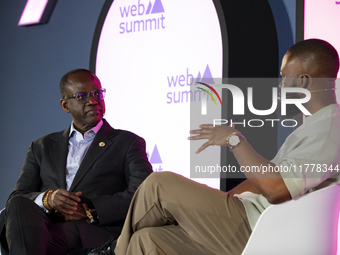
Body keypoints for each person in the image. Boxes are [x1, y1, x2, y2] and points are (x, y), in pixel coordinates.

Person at [73, 38, 340, 255]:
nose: (280, 85)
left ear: (303, 81)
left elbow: (277, 189)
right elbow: (267, 180)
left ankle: (112, 251)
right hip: (247, 221)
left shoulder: (330, 128)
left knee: (158, 184)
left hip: (260, 230)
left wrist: (235, 140)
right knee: (148, 239)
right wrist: (214, 203)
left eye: (285, 77)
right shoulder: (316, 126)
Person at [0, 69, 153, 255]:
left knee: (24, 241)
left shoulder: (127, 142)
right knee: (17, 204)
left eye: (97, 93)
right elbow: (19, 195)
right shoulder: (41, 146)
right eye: (82, 96)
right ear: (65, 105)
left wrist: (90, 210)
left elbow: (143, 194)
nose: (92, 101)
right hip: (47, 228)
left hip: (94, 231)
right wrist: (49, 200)